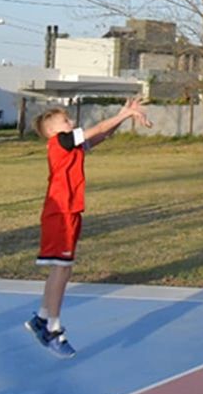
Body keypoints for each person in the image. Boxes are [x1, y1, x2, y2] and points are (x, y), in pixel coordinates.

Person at [24, 96, 150, 358]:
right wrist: (123, 116)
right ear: (52, 130)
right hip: (60, 212)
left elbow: (101, 136)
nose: (71, 123)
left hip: (68, 212)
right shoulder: (59, 142)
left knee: (61, 269)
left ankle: (42, 318)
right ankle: (52, 329)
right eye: (66, 121)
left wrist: (124, 114)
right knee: (62, 269)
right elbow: (98, 129)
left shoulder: (72, 147)